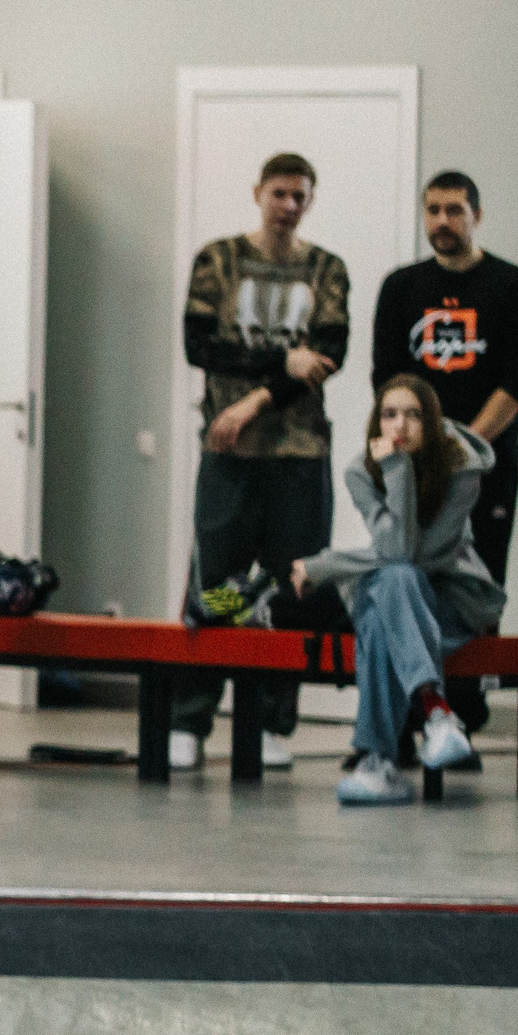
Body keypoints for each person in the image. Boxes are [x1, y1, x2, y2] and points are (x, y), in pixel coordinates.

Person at [174, 151, 351, 774]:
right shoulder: (217, 260)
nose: (288, 206)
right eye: (279, 193)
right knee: (216, 583)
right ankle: (188, 719)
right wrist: (281, 366)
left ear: (310, 200)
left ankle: (276, 724)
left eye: (300, 196)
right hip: (229, 453)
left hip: (299, 455)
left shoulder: (327, 269)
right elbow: (201, 345)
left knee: (289, 587)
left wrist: (253, 398)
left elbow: (328, 356)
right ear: (258, 193)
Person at [371, 170, 518, 749]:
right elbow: (386, 376)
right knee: (411, 573)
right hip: (414, 464)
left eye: (455, 210)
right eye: (433, 210)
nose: (442, 221)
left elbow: (517, 382)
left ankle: (463, 714)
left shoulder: (515, 286)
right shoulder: (401, 288)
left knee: (476, 583)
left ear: (477, 215)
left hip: (487, 465)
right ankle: (419, 713)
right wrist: (420, 446)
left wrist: (464, 447)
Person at [291, 377, 499, 805]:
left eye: (412, 414)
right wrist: (396, 469)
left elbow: (418, 556)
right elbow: (395, 554)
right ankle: (438, 715)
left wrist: (324, 566)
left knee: (390, 590)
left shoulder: (462, 468)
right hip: (402, 598)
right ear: (376, 422)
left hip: (452, 603)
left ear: (432, 421)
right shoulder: (359, 471)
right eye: (389, 415)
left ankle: (378, 762)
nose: (399, 425)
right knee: (391, 587)